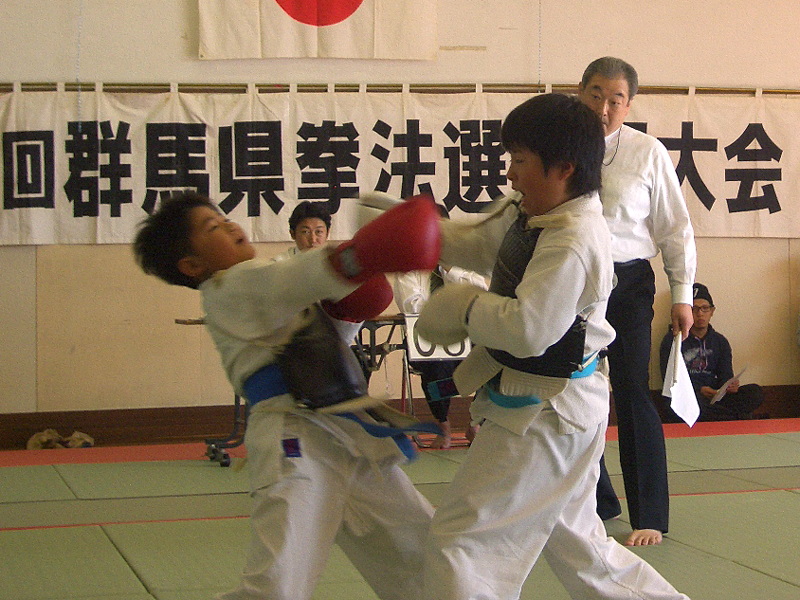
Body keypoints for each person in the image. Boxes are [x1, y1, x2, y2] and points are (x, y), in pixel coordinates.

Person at [415, 93, 690, 599]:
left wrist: (464, 308)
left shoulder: (574, 238)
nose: (511, 173)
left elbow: (528, 329)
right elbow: (481, 243)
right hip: (558, 409)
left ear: (563, 168)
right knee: (581, 547)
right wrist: (420, 235)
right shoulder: (537, 212)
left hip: (544, 415)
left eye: (520, 161)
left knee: (465, 544)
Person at [133, 191, 442, 600]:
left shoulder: (262, 285)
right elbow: (303, 274)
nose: (229, 225)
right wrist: (368, 251)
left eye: (224, 217)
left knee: (424, 555)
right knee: (277, 585)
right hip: (293, 438)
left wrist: (368, 267)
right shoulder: (232, 285)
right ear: (193, 265)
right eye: (212, 228)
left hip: (341, 433)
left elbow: (354, 299)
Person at [578, 56, 697, 546]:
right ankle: (597, 500)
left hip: (628, 284)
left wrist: (683, 293)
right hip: (571, 281)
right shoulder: (557, 147)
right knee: (574, 396)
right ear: (579, 92)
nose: (605, 107)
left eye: (617, 99)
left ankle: (649, 513)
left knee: (630, 393)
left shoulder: (648, 152)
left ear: (629, 104)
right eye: (596, 94)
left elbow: (675, 227)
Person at [394, 260, 488, 448]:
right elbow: (411, 306)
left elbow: (480, 295)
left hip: (466, 334)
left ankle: (476, 422)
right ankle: (442, 424)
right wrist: (454, 308)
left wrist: (450, 271)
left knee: (490, 357)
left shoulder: (463, 262)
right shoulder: (409, 269)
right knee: (437, 366)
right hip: (427, 337)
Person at [660, 282, 763, 421]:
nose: (700, 314)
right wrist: (700, 389)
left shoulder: (720, 342)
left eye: (705, 308)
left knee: (755, 392)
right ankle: (731, 417)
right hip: (689, 396)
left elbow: (725, 376)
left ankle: (721, 416)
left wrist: (730, 385)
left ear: (712, 311)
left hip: (715, 396)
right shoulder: (672, 340)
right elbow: (671, 380)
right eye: (694, 309)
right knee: (689, 404)